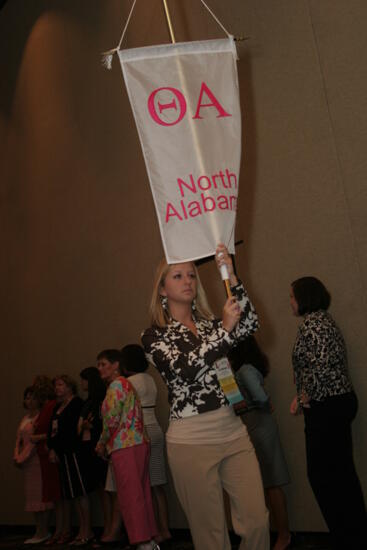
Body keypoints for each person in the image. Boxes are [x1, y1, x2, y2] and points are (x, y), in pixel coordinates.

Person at [142, 244, 269, 550]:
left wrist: (232, 276)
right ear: (162, 289)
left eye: (192, 275)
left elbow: (249, 324)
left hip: (232, 431)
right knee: (211, 536)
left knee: (257, 522)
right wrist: (224, 330)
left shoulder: (210, 324)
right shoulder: (154, 335)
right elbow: (184, 369)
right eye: (177, 276)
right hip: (191, 440)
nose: (188, 280)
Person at [289, 276, 367, 550]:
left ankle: (346, 537)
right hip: (340, 402)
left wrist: (303, 396)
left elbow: (319, 366)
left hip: (327, 408)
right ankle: (355, 536)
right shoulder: (325, 319)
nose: (290, 301)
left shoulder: (312, 324)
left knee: (324, 477)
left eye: (292, 296)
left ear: (304, 297)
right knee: (342, 475)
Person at [229, 336, 291, 550]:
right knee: (266, 483)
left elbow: (261, 399)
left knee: (272, 483)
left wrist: (249, 405)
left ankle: (284, 535)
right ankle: (279, 534)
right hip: (256, 427)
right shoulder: (246, 368)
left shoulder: (244, 370)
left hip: (260, 428)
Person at [95, 349, 158, 550]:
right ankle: (149, 539)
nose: (100, 368)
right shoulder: (127, 384)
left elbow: (112, 420)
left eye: (104, 364)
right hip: (138, 442)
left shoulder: (115, 385)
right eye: (99, 365)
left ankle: (142, 542)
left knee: (130, 495)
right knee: (141, 492)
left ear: (116, 365)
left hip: (125, 445)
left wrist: (101, 442)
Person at [121, 344, 171, 544]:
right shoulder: (150, 379)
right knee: (158, 483)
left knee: (144, 484)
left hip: (140, 431)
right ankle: (165, 529)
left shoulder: (128, 382)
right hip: (156, 428)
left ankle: (153, 531)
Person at [47, 375, 89, 545]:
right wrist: (52, 447)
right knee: (70, 493)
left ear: (70, 387)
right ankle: (75, 529)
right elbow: (53, 430)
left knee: (79, 492)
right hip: (61, 454)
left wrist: (59, 447)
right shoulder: (58, 406)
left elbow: (73, 430)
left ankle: (86, 530)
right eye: (55, 385)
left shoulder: (76, 404)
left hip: (73, 453)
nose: (57, 388)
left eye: (60, 384)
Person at [14, 386, 53, 545]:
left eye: (32, 397)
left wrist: (23, 457)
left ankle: (44, 530)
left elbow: (35, 441)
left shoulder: (39, 418)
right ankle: (38, 529)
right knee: (31, 496)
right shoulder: (25, 418)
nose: (29, 401)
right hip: (26, 462)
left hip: (36, 460)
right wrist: (16, 455)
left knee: (41, 497)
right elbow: (19, 440)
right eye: (27, 397)